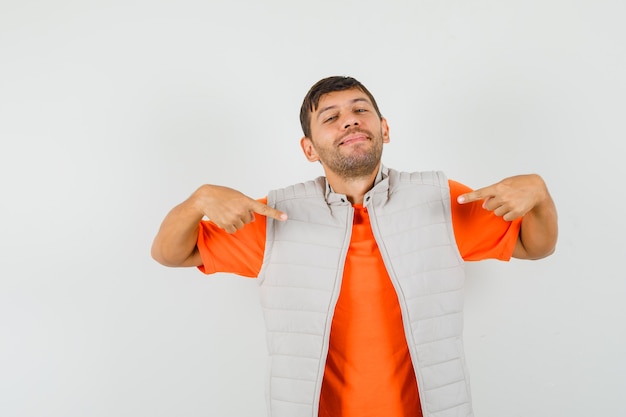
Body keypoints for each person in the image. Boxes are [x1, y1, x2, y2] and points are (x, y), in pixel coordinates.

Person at [151, 76, 558, 417]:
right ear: (309, 148)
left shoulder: (441, 199)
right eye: (331, 117)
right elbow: (171, 253)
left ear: (384, 129)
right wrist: (199, 200)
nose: (349, 121)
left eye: (360, 110)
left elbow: (533, 246)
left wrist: (540, 194)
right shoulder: (274, 216)